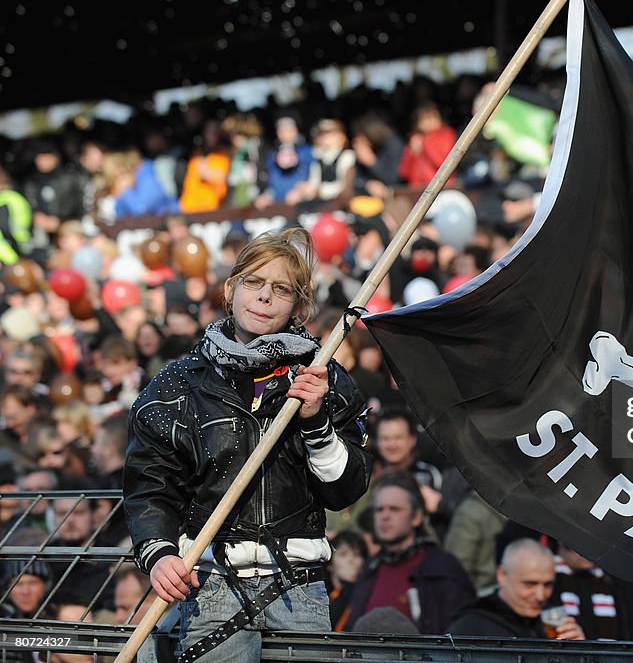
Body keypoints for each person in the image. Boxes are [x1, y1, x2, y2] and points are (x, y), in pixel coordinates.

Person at [123, 226, 374, 661]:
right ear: (230, 288)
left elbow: (345, 491)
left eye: (281, 289)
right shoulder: (174, 386)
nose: (264, 297)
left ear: (299, 306)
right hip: (212, 586)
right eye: (254, 282)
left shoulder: (324, 378)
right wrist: (160, 556)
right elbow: (149, 487)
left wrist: (316, 423)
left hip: (301, 587)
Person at [344, 471, 475, 634]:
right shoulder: (370, 568)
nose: (385, 516)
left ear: (417, 517)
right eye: (379, 510)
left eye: (394, 509)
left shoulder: (443, 569)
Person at [446, 538, 585, 639]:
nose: (540, 595)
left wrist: (579, 652)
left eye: (548, 584)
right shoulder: (470, 628)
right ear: (502, 575)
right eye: (530, 584)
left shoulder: (555, 620)